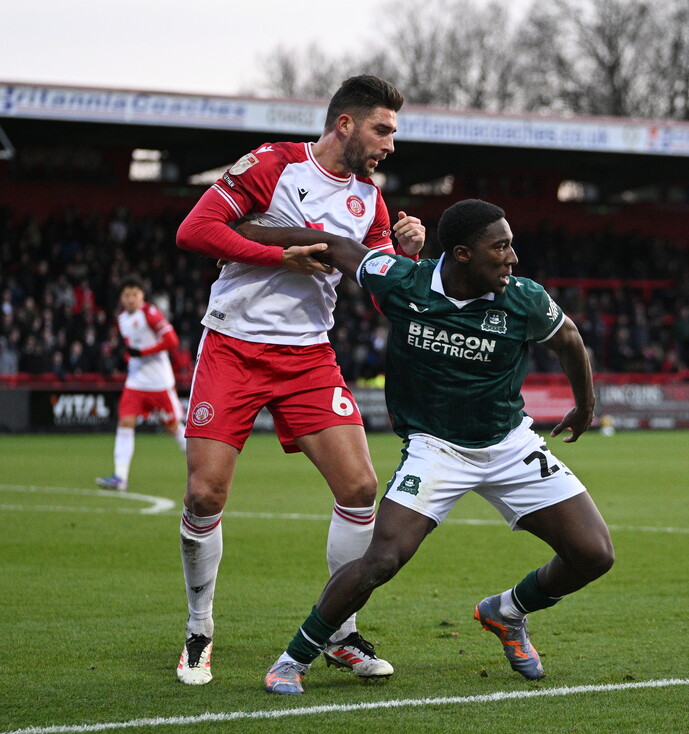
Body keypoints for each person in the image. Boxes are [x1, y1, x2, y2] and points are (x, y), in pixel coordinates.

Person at [233, 198, 615, 695]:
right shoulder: (401, 280)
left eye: (511, 246)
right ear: (461, 254)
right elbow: (339, 246)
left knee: (593, 554)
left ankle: (507, 611)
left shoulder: (522, 299)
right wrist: (244, 232)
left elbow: (568, 338)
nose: (512, 259)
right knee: (382, 559)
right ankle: (293, 659)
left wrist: (585, 406)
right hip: (436, 449)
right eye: (500, 247)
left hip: (508, 444)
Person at [172, 75, 426, 685]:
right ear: (345, 123)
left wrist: (409, 255)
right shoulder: (272, 164)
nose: (390, 144)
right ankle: (198, 629)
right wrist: (277, 255)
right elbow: (195, 232)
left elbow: (384, 291)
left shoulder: (371, 202)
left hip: (308, 356)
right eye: (382, 129)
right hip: (233, 344)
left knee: (361, 487)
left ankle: (339, 632)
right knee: (205, 495)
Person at [96, 276, 186, 492]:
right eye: (126, 295)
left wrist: (143, 352)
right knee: (125, 423)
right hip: (135, 381)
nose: (130, 299)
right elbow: (132, 347)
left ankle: (206, 466)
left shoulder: (150, 313)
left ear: (142, 296)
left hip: (158, 382)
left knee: (173, 428)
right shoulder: (122, 319)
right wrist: (129, 357)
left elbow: (172, 341)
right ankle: (120, 477)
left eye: (134, 294)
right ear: (121, 298)